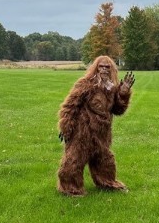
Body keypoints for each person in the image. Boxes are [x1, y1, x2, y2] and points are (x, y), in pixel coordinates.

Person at [57, 56, 135, 196]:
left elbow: (118, 110)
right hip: (83, 132)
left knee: (104, 160)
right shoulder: (85, 84)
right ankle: (70, 188)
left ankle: (107, 183)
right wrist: (66, 127)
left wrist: (123, 93)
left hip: (102, 134)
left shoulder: (112, 88)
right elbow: (69, 106)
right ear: (95, 68)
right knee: (74, 160)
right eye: (101, 66)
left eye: (107, 67)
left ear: (112, 70)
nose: (104, 69)